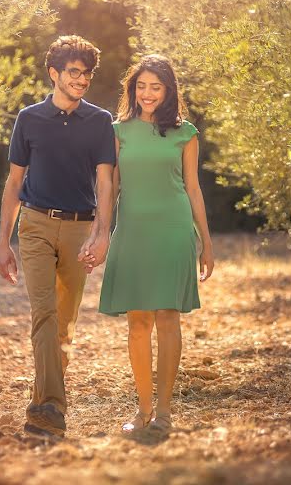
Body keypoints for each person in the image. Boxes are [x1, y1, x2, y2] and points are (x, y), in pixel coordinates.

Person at [0, 35, 115, 439]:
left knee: (63, 325)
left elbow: (105, 182)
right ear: (54, 74)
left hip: (80, 229)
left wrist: (102, 233)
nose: (81, 80)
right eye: (74, 72)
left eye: (87, 74)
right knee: (43, 313)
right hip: (35, 226)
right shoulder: (28, 119)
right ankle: (50, 408)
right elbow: (14, 183)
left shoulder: (100, 122)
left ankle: (42, 401)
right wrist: (3, 241)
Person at [96, 54, 214, 439]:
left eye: (155, 87)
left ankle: (164, 410)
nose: (147, 94)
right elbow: (110, 186)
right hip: (132, 232)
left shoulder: (186, 133)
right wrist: (101, 231)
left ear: (168, 91)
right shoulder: (118, 131)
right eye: (141, 86)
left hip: (173, 230)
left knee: (167, 318)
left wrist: (206, 243)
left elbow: (193, 189)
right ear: (133, 89)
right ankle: (142, 408)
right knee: (137, 322)